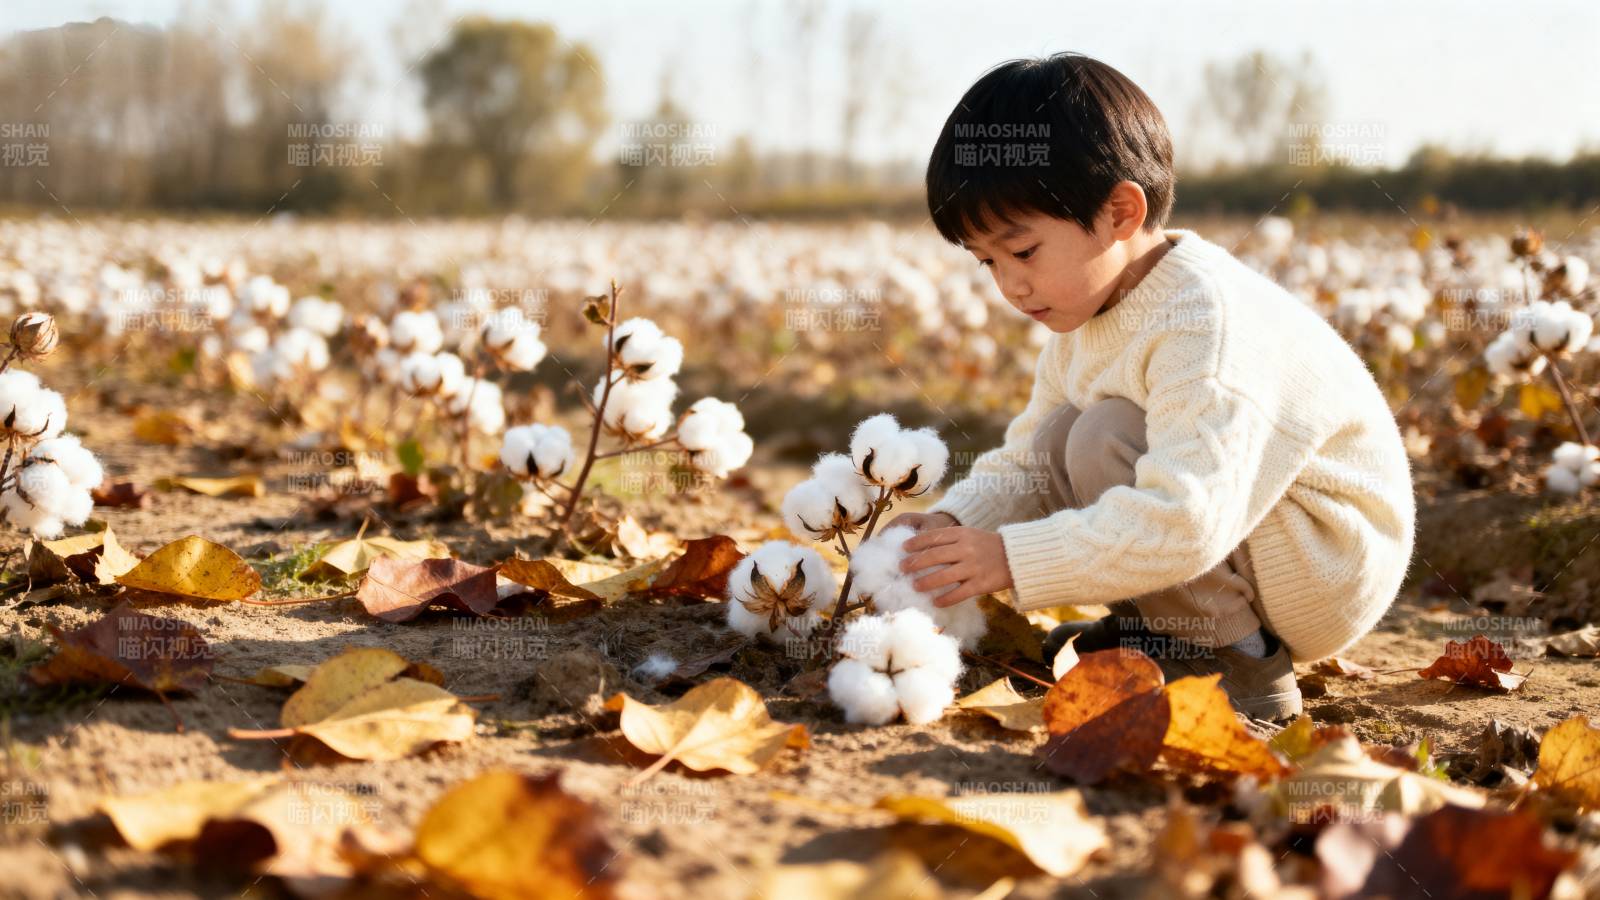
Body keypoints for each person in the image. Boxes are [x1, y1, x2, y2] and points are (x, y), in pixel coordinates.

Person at [885, 52, 1416, 722]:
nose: (1010, 285)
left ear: (1120, 213)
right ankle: (1162, 630)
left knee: (1102, 435)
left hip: (1323, 565)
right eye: (986, 261)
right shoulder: (1089, 314)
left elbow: (1188, 519)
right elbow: (1027, 466)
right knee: (1059, 437)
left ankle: (1238, 660)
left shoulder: (1204, 320)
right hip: (1250, 538)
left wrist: (1010, 559)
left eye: (1022, 252)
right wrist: (954, 525)